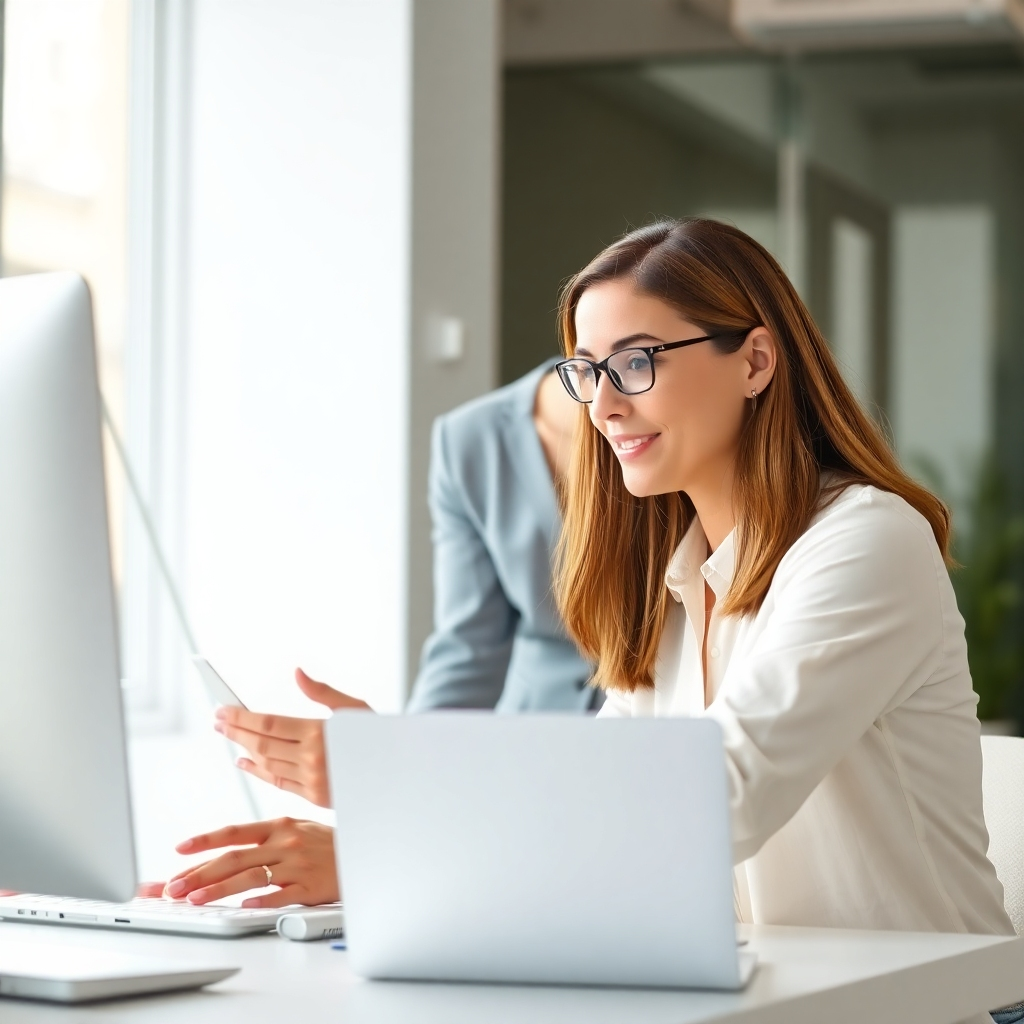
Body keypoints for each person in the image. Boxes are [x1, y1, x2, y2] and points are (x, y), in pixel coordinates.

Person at [163, 219, 1014, 957]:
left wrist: (399, 793)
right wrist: (390, 840)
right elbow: (606, 823)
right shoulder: (672, 584)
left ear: (755, 360)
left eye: (637, 362)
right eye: (584, 370)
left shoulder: (864, 541)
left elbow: (711, 801)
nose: (601, 405)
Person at [157, 359, 595, 906]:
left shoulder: (667, 434)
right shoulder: (470, 439)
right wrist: (394, 766)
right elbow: (467, 654)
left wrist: (395, 791)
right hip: (517, 755)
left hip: (605, 776)